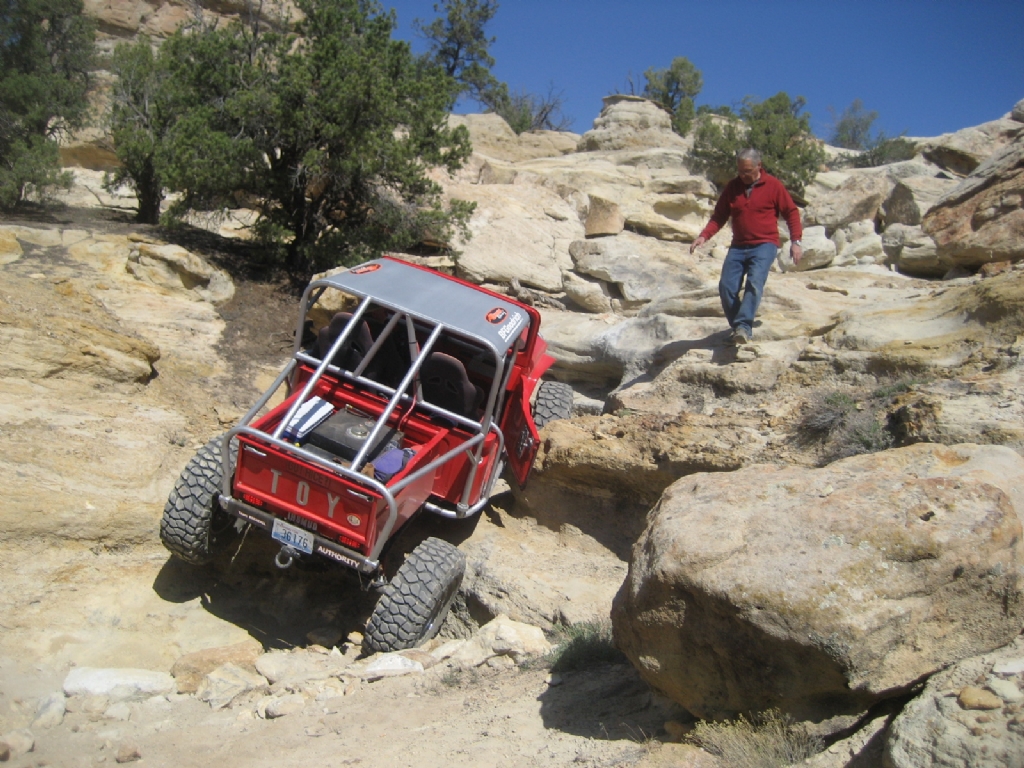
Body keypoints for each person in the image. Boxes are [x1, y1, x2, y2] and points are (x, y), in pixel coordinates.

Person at [690, 148, 803, 345]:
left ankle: (743, 326)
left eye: (747, 171)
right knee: (726, 286)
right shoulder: (733, 187)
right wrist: (703, 236)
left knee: (754, 283)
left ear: (759, 166)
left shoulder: (774, 186)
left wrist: (796, 242)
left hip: (764, 244)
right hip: (739, 246)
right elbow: (719, 216)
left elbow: (791, 213)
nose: (743, 175)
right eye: (740, 171)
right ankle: (739, 328)